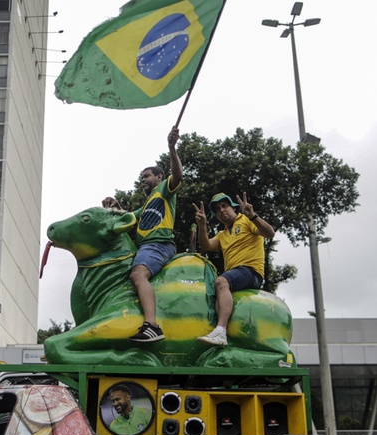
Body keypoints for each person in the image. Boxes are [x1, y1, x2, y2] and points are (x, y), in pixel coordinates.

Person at [102, 126, 182, 343]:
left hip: (158, 245)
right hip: (144, 248)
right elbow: (127, 218)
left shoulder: (165, 190)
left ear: (159, 176)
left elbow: (178, 176)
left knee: (138, 274)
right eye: (142, 177)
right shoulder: (146, 205)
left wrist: (172, 148)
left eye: (147, 176)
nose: (143, 180)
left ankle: (152, 326)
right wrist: (114, 207)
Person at [193, 192, 275, 345]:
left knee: (221, 281)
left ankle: (221, 330)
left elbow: (270, 233)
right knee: (214, 288)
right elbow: (206, 246)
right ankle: (220, 333)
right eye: (217, 209)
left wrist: (253, 216)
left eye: (225, 206)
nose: (222, 210)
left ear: (234, 207)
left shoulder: (246, 220)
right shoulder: (222, 234)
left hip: (251, 271)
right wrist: (202, 226)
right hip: (236, 275)